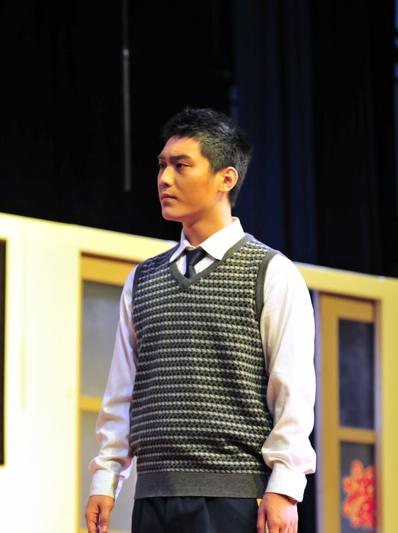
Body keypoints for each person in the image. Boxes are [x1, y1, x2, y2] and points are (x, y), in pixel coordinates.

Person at [84, 108, 316, 533]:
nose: (164, 178)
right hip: (152, 495)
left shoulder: (271, 272)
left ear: (226, 178)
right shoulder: (142, 279)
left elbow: (293, 390)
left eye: (181, 165)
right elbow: (122, 391)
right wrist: (106, 476)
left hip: (234, 497)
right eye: (162, 166)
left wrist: (285, 486)